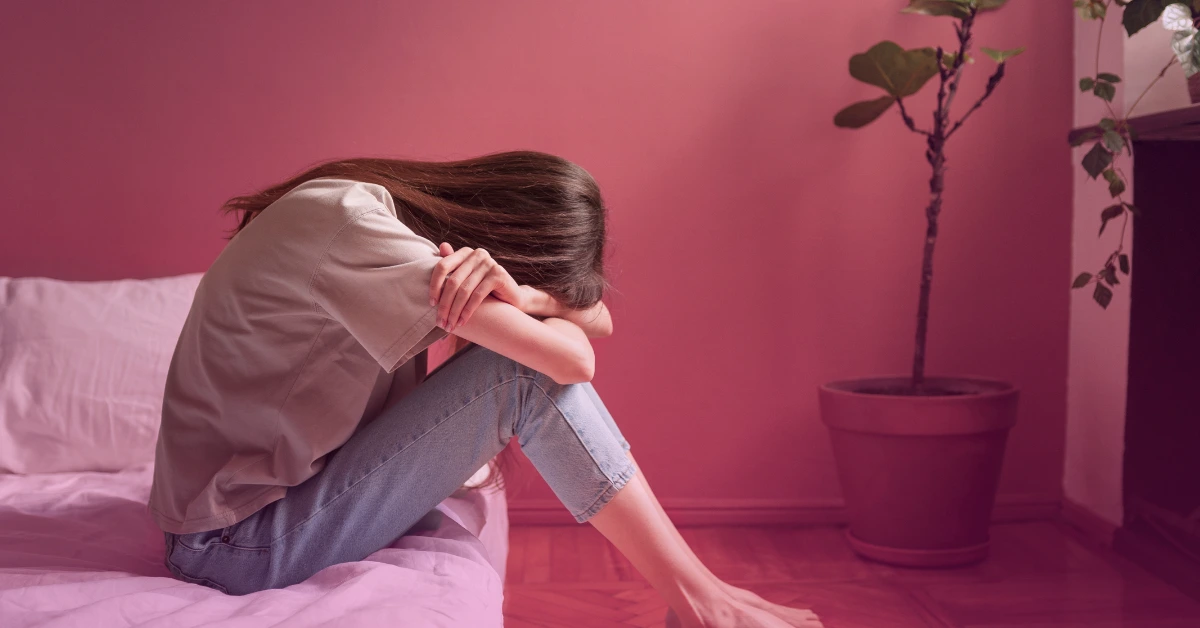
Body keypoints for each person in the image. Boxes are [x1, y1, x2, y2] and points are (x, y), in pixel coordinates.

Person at [147, 151, 821, 628]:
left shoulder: (355, 207)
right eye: (523, 283)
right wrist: (539, 309)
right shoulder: (356, 233)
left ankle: (699, 595)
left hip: (255, 519)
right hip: (236, 547)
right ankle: (702, 600)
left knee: (526, 368)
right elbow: (572, 360)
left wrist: (527, 292)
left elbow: (596, 319)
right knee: (521, 374)